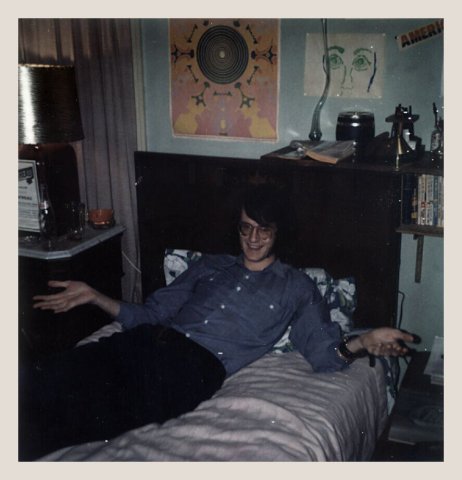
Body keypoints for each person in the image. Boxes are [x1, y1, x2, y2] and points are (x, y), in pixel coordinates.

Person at [19, 184, 416, 460]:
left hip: (190, 370)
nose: (253, 239)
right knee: (37, 379)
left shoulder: (296, 286)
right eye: (246, 227)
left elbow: (323, 355)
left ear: (279, 232)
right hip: (141, 342)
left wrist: (364, 342)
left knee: (63, 421)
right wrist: (95, 296)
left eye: (264, 230)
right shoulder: (209, 266)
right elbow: (150, 314)